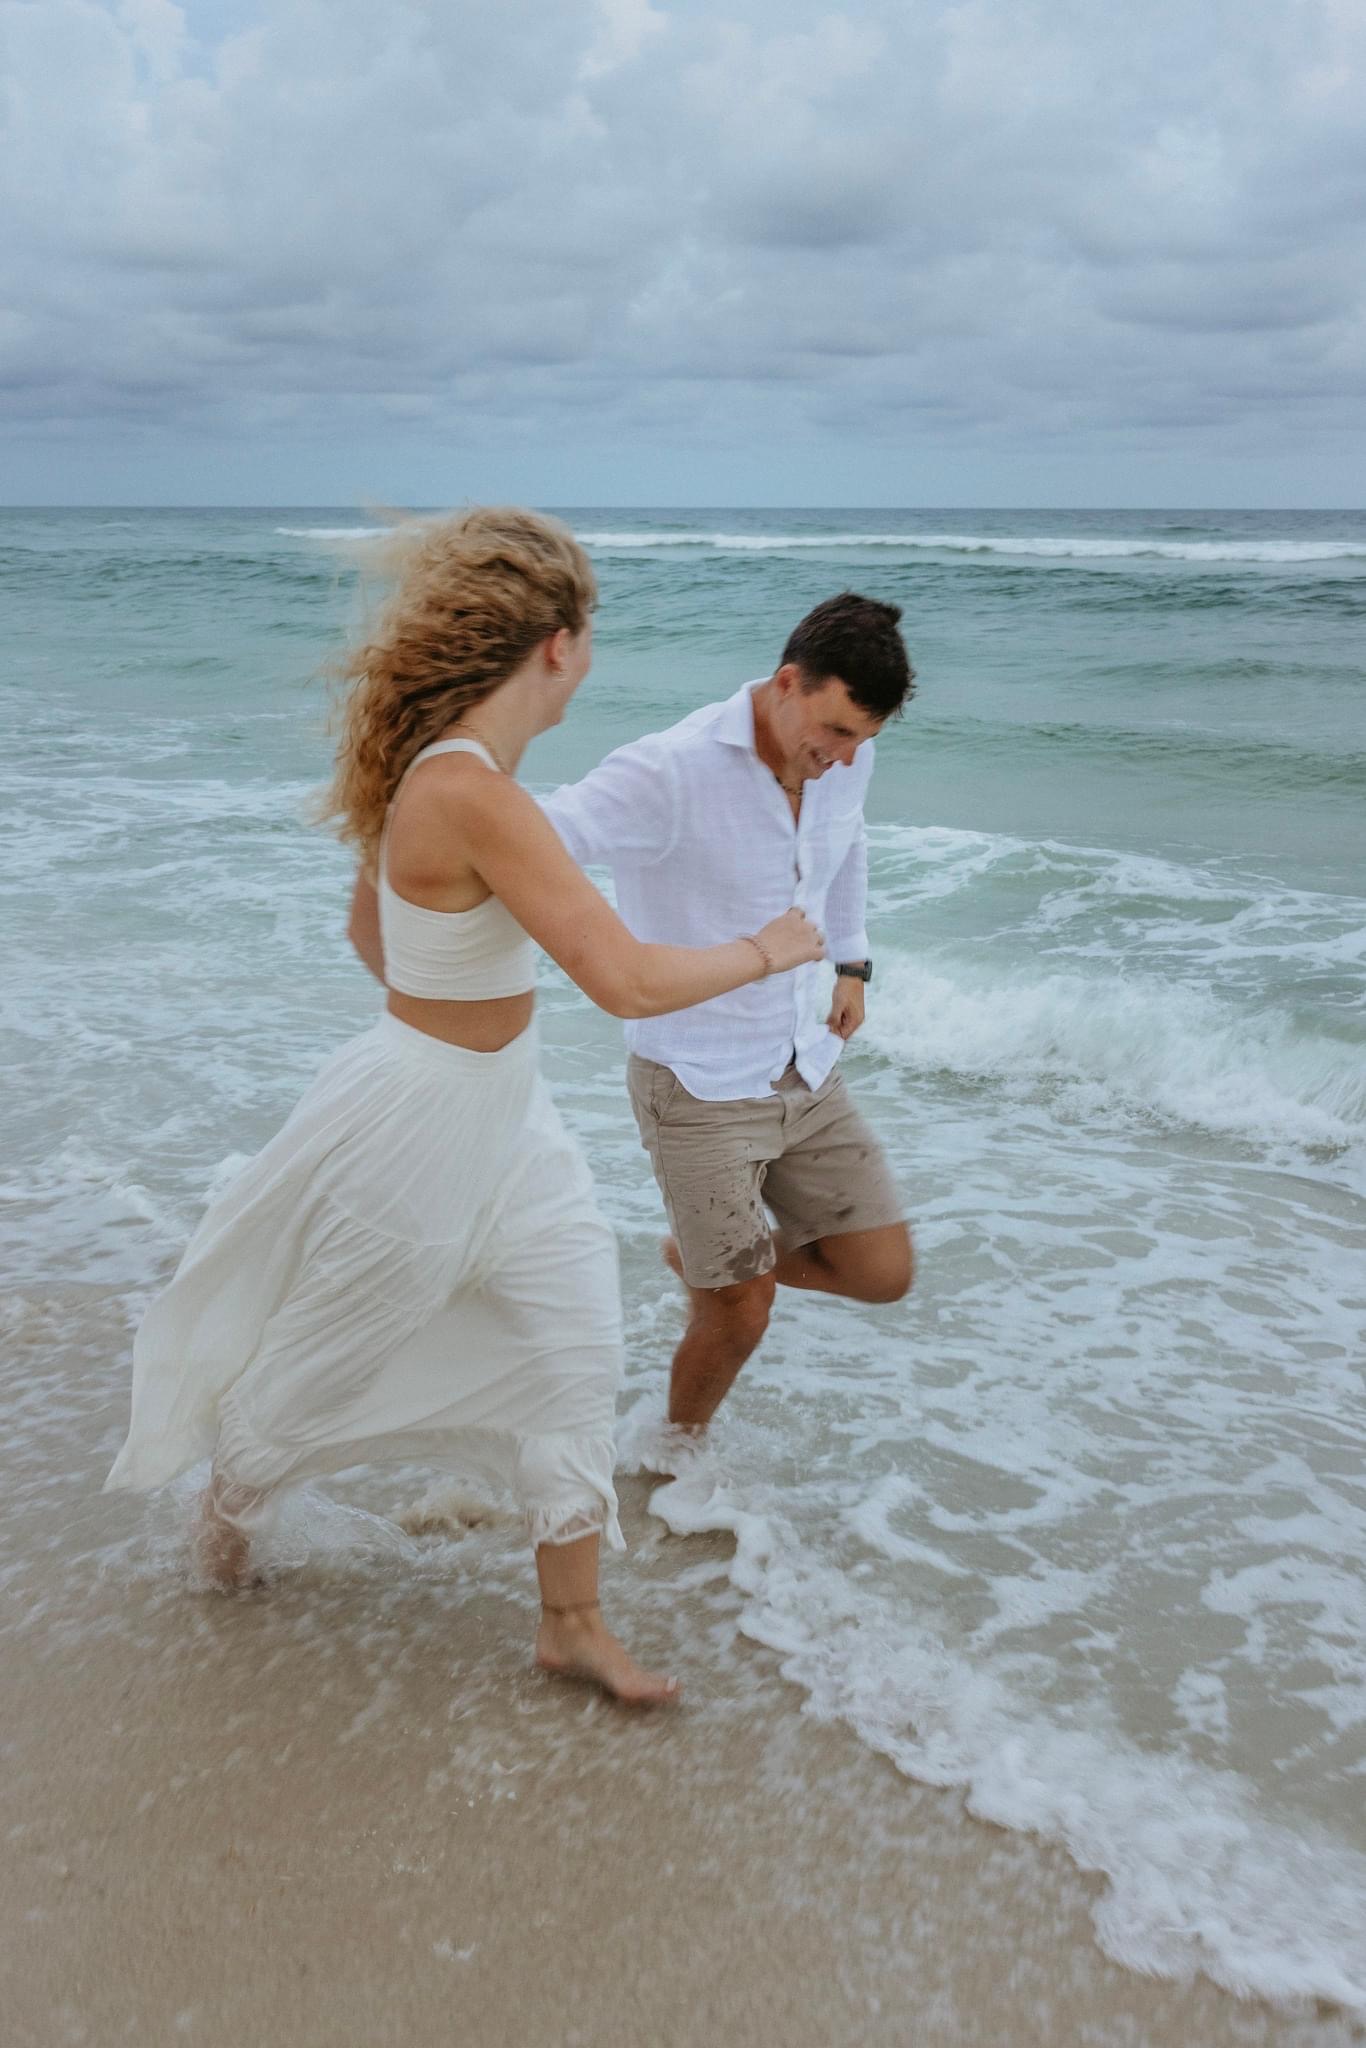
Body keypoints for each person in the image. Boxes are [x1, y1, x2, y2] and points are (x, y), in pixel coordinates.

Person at [104, 508, 822, 1705]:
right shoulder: (474, 791)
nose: (589, 660)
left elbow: (364, 930)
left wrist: (445, 1013)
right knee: (322, 1367)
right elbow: (624, 976)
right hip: (426, 1123)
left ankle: (571, 1624)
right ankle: (220, 1529)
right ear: (555, 644)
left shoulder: (452, 771)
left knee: (575, 1343)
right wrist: (770, 947)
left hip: (504, 1112)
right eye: (589, 637)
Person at [541, 593, 915, 1437]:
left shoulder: (845, 759)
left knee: (882, 1272)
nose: (845, 755)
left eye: (863, 739)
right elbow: (540, 840)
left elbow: (849, 841)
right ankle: (675, 1455)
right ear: (789, 682)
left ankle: (700, 1261)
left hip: (804, 1064)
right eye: (835, 732)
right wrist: (605, 958)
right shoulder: (669, 770)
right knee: (741, 1314)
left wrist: (850, 960)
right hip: (699, 1083)